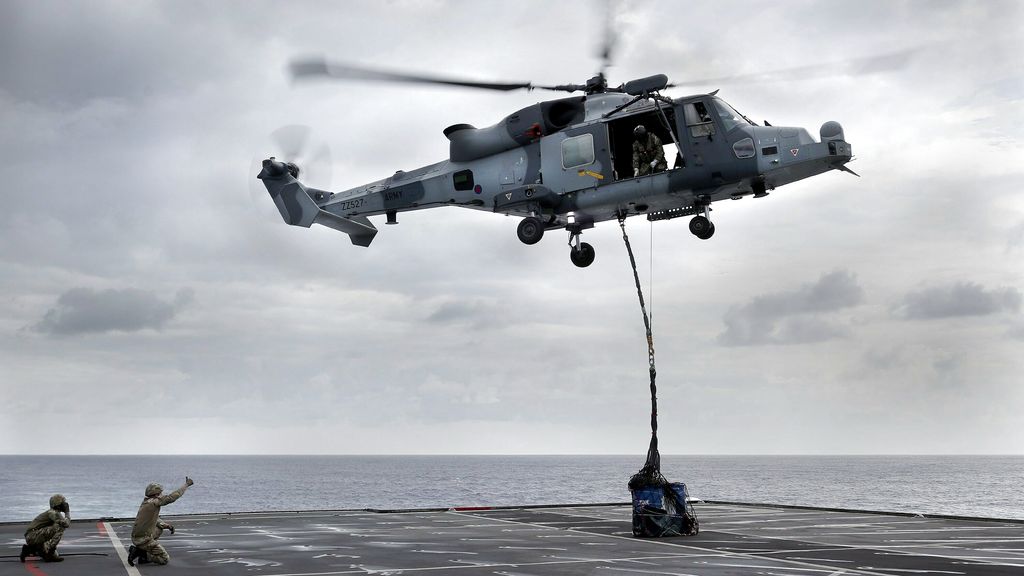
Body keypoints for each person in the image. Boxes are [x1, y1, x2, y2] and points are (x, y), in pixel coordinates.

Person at [127, 476, 193, 566]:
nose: (162, 494)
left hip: (138, 536)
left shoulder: (147, 502)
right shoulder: (154, 502)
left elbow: (154, 519)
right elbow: (172, 497)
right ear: (156, 494)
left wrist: (166, 525)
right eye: (161, 493)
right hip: (143, 540)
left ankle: (143, 557)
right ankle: (141, 553)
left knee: (159, 528)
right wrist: (186, 485)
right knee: (164, 559)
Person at [21, 494, 71, 562]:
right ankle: (49, 553)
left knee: (53, 554)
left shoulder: (54, 513)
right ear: (58, 504)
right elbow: (66, 524)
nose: (65, 504)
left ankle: (29, 549)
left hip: (34, 535)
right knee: (60, 527)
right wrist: (67, 512)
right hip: (33, 535)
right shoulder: (53, 513)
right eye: (63, 503)